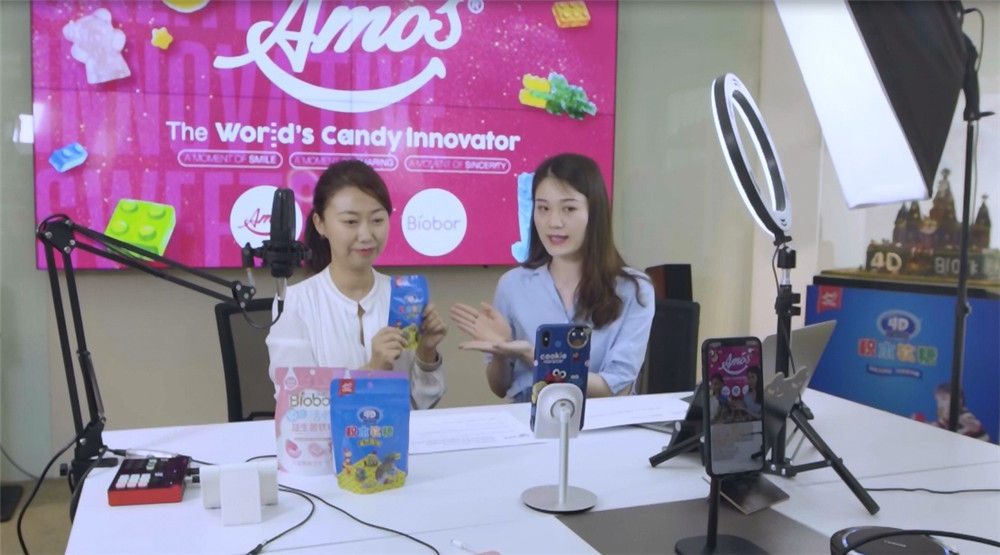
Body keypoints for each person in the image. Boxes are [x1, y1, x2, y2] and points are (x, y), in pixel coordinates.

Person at [450, 153, 653, 402]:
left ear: (594, 212)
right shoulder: (512, 284)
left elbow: (615, 386)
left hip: (600, 421)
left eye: (569, 209)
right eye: (543, 208)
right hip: (528, 418)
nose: (553, 222)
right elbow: (500, 387)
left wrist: (536, 357)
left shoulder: (634, 289)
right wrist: (501, 351)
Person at [266, 160, 447, 409]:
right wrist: (372, 371)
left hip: (395, 435)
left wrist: (426, 352)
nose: (366, 235)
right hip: (328, 436)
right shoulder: (294, 303)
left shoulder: (404, 296)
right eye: (351, 222)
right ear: (320, 224)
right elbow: (295, 404)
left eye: (377, 220)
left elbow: (421, 405)